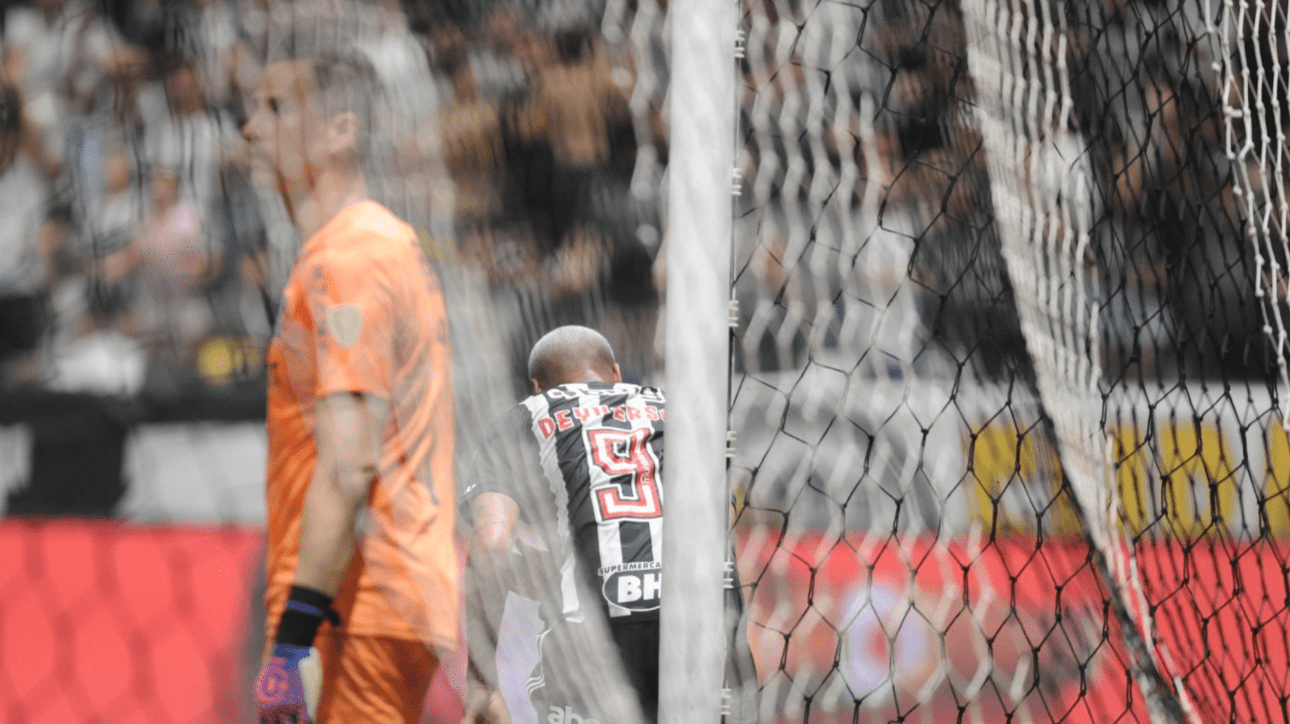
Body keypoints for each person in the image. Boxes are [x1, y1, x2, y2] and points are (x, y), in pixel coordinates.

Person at [243, 43, 457, 724]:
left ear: (341, 130)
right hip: (366, 597)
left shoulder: (352, 258)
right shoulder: (370, 245)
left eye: (276, 108)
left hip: (357, 604)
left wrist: (291, 644)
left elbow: (349, 463)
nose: (250, 127)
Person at [461, 325, 665, 724]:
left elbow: (493, 546)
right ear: (616, 373)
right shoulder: (670, 407)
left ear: (538, 388)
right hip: (688, 614)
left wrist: (482, 680)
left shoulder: (523, 419)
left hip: (595, 629)